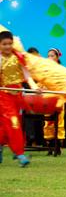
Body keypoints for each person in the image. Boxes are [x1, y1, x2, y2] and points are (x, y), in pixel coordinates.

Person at [0, 31, 39, 167]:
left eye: (10, 43)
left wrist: (34, 87)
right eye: (4, 44)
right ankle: (20, 153)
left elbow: (27, 76)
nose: (7, 46)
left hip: (17, 96)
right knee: (13, 122)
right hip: (3, 96)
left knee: (7, 126)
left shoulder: (18, 57)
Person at [43, 48, 66, 156]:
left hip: (59, 99)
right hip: (47, 99)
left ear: (57, 57)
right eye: (48, 56)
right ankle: (50, 145)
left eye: (52, 56)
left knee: (59, 121)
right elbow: (41, 82)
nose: (50, 58)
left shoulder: (62, 70)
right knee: (48, 122)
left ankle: (58, 146)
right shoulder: (45, 70)